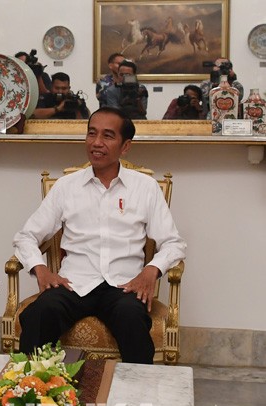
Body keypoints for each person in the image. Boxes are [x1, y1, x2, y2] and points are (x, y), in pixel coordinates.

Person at [12, 107, 186, 364]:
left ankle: (136, 399)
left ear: (125, 146)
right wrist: (40, 268)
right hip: (74, 284)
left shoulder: (144, 187)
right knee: (41, 312)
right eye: (91, 134)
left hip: (123, 285)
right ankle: (29, 391)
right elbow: (26, 236)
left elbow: (173, 243)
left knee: (132, 318)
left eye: (107, 136)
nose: (96, 143)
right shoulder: (66, 187)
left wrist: (151, 271)